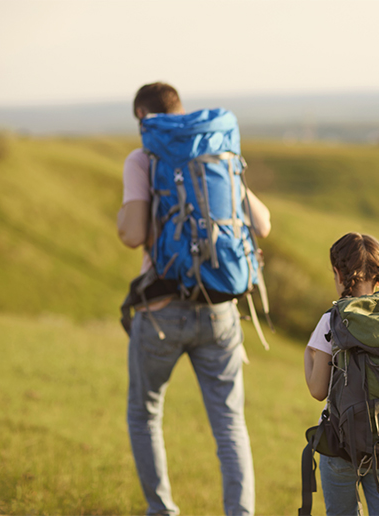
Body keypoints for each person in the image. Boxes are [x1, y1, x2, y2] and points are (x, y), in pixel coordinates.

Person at [117, 82, 271, 516]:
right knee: (229, 424)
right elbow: (263, 224)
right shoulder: (215, 154)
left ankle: (162, 511)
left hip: (162, 311)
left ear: (143, 118)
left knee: (145, 414)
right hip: (220, 311)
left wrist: (124, 218)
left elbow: (131, 234)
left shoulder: (144, 157)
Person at [304, 232, 379, 516]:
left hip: (342, 445)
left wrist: (307, 355)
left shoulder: (333, 319)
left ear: (338, 273)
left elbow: (317, 390)